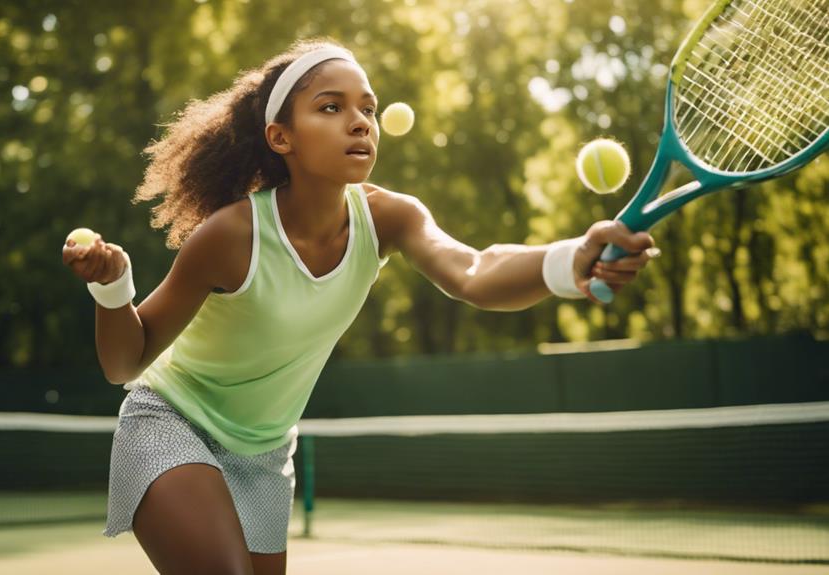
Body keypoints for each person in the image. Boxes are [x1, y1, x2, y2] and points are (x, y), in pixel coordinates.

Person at [61, 38, 656, 575]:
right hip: (173, 425)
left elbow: (474, 270)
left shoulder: (390, 216)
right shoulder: (230, 236)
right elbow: (125, 363)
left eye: (367, 109)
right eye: (331, 107)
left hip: (265, 452)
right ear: (280, 137)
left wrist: (569, 260)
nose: (359, 123)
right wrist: (113, 289)